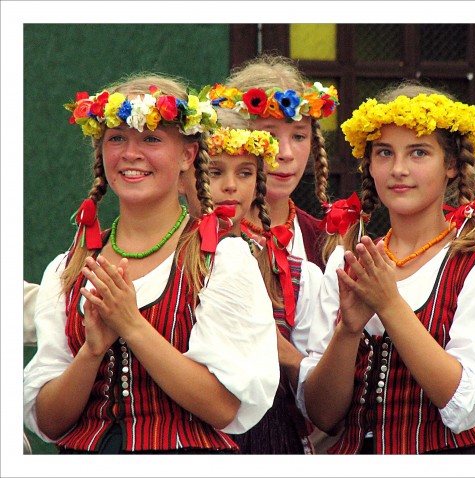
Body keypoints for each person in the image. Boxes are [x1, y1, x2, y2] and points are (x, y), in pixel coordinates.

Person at [23, 74, 280, 453]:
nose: (131, 153)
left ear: (187, 155)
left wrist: (131, 325)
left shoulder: (222, 259)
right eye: (117, 139)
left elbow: (224, 407)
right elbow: (49, 421)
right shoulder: (70, 267)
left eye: (151, 138)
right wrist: (91, 352)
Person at [299, 82, 475, 454]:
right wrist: (348, 331)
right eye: (384, 153)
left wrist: (389, 304)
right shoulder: (347, 259)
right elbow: (323, 414)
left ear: (450, 165)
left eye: (418, 152)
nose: (398, 169)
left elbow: (463, 406)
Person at [179, 108, 323, 454]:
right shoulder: (157, 262)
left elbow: (320, 404)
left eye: (245, 173)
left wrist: (282, 353)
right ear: (183, 175)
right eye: (214, 172)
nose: (230, 186)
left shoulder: (297, 274)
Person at [213, 54, 340, 271]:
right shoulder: (201, 234)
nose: (286, 153)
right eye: (269, 135)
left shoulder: (325, 244)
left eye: (298, 136)